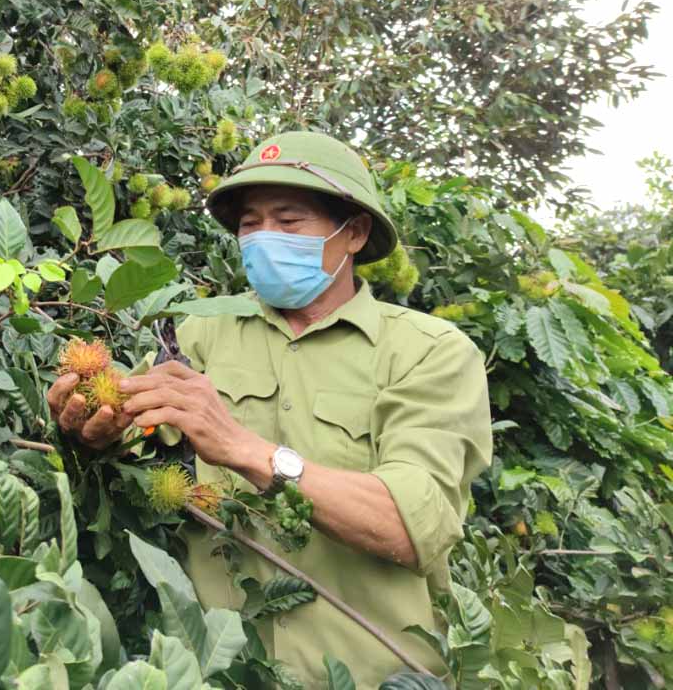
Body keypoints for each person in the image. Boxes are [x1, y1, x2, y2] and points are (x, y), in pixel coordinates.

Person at [46, 131, 493, 689]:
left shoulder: (429, 352)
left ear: (352, 233)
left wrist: (243, 449)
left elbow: (408, 526)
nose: (263, 238)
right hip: (217, 673)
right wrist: (94, 427)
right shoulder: (200, 331)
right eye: (249, 224)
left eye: (288, 221)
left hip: (375, 676)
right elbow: (137, 450)